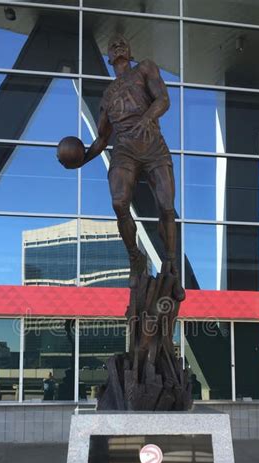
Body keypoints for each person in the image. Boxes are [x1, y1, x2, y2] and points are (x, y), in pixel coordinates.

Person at [79, 34, 184, 301]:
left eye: (122, 43)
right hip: (124, 148)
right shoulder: (108, 94)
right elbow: (102, 139)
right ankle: (135, 258)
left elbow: (164, 100)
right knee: (119, 203)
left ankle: (171, 264)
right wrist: (81, 158)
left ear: (130, 51)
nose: (118, 46)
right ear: (109, 57)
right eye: (113, 45)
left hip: (152, 144)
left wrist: (148, 118)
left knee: (167, 207)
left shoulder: (145, 68)